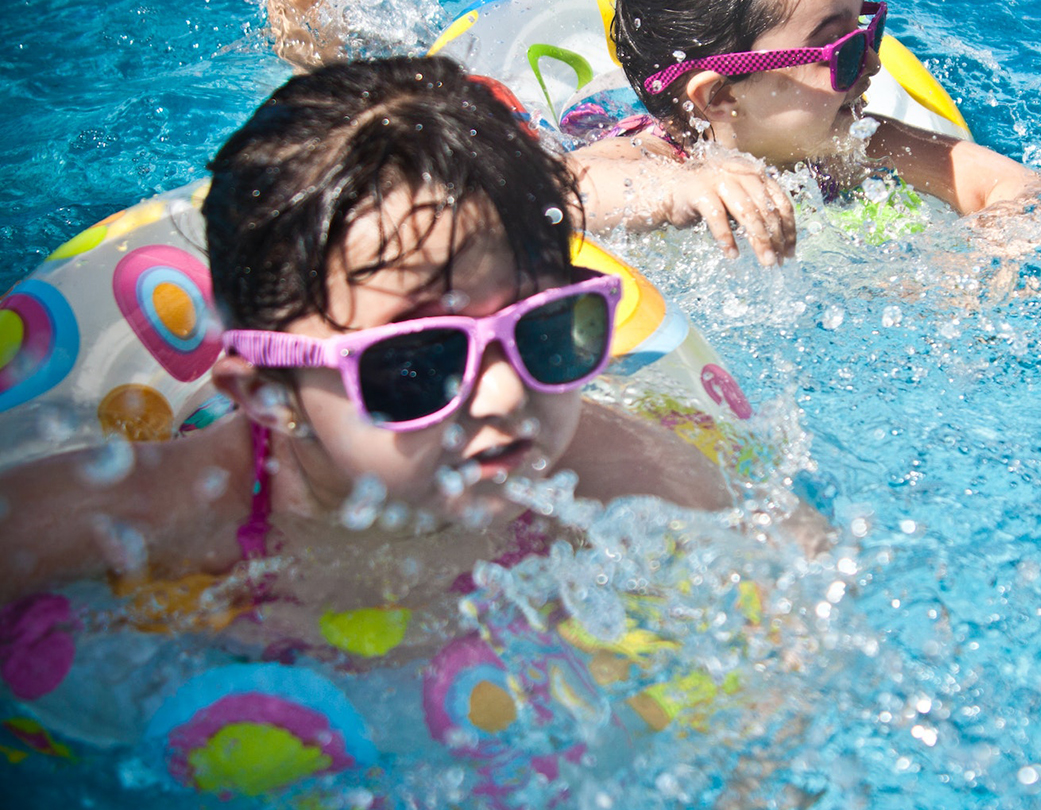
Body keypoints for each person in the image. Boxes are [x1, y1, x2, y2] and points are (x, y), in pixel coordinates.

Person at [0, 56, 730, 611]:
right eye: (418, 363)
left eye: (543, 332)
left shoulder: (608, 473)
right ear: (268, 391)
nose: (508, 393)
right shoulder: (166, 514)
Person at [261, 0, 1041, 268]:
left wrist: (999, 249)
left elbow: (1004, 182)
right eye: (838, 52)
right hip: (560, 125)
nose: (871, 68)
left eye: (868, 33)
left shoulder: (858, 141)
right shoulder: (646, 154)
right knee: (343, 90)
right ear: (717, 99)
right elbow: (553, 200)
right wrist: (680, 185)